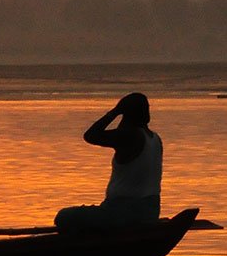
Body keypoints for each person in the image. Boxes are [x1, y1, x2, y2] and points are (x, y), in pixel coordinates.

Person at [56, 93, 163, 232]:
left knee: (63, 217)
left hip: (122, 212)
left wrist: (115, 112)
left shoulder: (130, 136)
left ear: (126, 113)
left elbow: (90, 136)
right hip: (150, 212)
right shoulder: (155, 139)